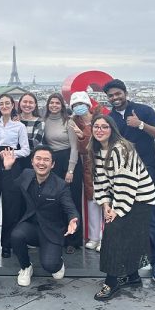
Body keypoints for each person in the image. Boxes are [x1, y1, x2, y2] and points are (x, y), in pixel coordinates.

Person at [103, 79, 155, 283]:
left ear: (125, 92)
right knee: (123, 219)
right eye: (111, 96)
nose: (115, 98)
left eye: (117, 94)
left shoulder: (143, 110)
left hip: (145, 169)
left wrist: (140, 124)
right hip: (120, 173)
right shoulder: (109, 118)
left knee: (149, 218)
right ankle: (131, 266)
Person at [90, 115, 155, 300]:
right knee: (129, 238)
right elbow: (100, 181)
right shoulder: (97, 149)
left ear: (112, 130)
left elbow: (125, 183)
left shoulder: (120, 149)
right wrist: (105, 205)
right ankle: (133, 277)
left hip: (139, 199)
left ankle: (111, 282)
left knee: (113, 237)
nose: (100, 130)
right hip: (119, 198)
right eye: (96, 126)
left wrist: (116, 211)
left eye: (104, 127)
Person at [5, 146, 79, 287]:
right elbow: (12, 189)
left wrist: (73, 220)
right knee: (16, 235)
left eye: (46, 160)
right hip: (31, 227)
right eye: (38, 159)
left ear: (52, 164)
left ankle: (58, 260)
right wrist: (8, 168)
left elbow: (70, 208)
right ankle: (26, 267)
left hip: (51, 230)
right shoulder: (26, 174)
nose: (41, 163)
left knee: (51, 267)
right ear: (32, 161)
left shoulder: (60, 185)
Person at [0, 93, 30, 258]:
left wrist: (11, 154)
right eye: (1, 103)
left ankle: (7, 244)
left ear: (12, 105)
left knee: (11, 205)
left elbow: (26, 150)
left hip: (12, 163)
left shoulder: (19, 126)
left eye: (7, 103)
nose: (4, 106)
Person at [42, 92, 83, 254]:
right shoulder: (44, 121)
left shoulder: (69, 121)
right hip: (53, 162)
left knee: (71, 201)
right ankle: (57, 236)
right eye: (51, 103)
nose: (54, 106)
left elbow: (74, 147)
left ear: (62, 105)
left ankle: (73, 239)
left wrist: (71, 169)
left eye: (57, 103)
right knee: (54, 201)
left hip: (68, 160)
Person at [69, 91, 103, 252]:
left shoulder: (100, 119)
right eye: (75, 105)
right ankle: (94, 236)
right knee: (91, 200)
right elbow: (82, 149)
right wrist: (81, 137)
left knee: (106, 200)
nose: (78, 107)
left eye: (80, 104)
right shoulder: (74, 122)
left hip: (104, 163)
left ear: (88, 105)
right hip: (87, 165)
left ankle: (105, 237)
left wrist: (83, 135)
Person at [17, 92, 44, 170]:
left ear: (35, 105)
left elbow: (35, 143)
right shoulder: (13, 120)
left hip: (31, 160)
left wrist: (17, 142)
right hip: (13, 159)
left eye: (31, 102)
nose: (27, 105)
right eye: (25, 102)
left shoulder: (39, 122)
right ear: (20, 103)